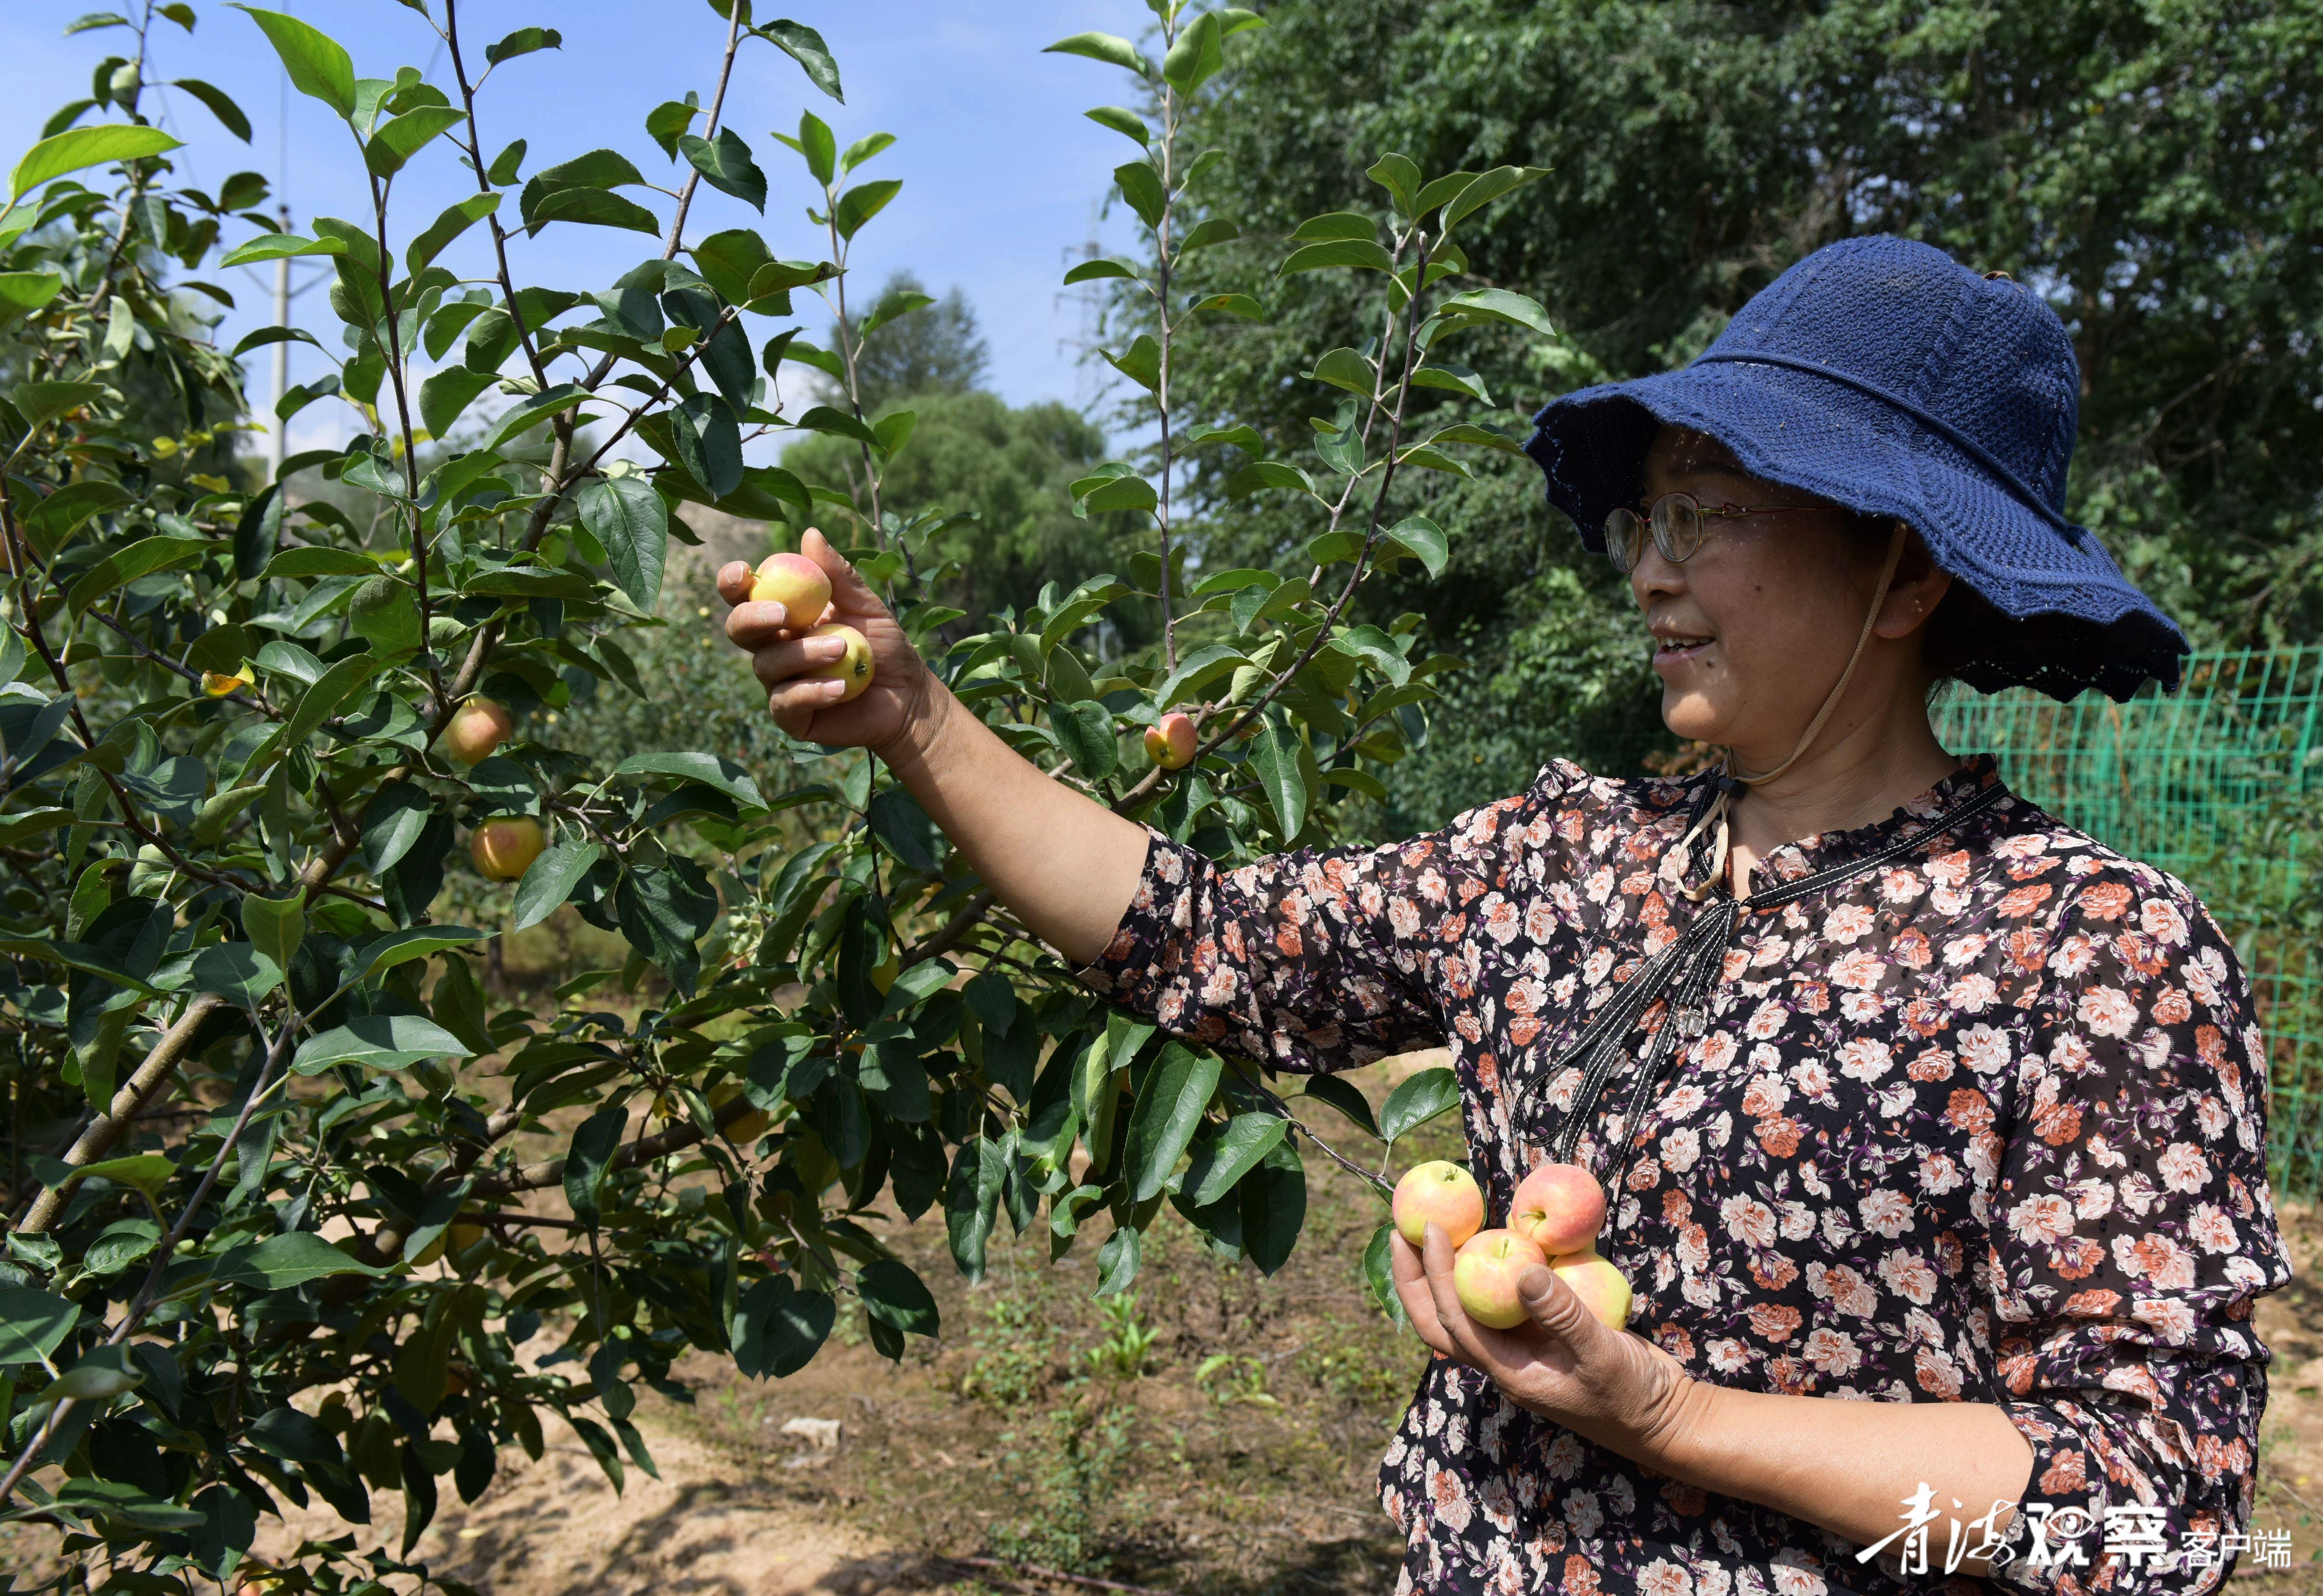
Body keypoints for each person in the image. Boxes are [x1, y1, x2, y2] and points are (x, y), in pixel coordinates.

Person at [719, 236, 2290, 1596]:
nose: (1651, 580)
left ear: (1902, 575)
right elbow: (1203, 938)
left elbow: (2151, 1505)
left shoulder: (2084, 949)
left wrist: (1669, 1416)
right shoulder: (1558, 858)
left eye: (1709, 517)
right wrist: (912, 716)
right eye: (1644, 524)